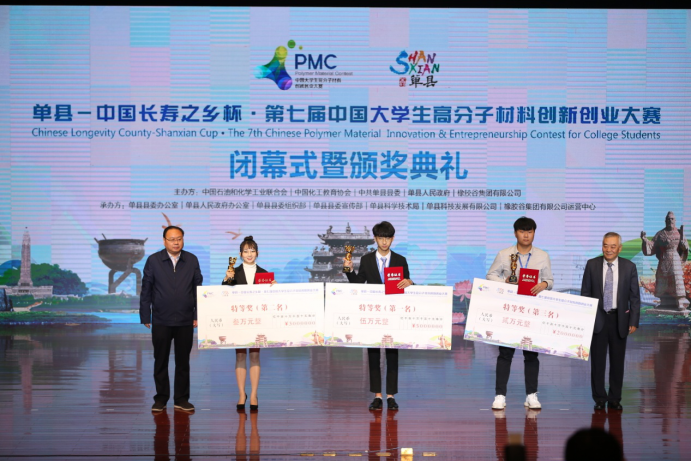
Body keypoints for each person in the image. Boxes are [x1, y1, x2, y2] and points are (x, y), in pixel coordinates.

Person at [343, 221, 414, 411]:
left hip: (393, 313)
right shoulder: (366, 259)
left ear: (393, 239)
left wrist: (410, 282)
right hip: (373, 313)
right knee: (373, 354)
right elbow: (358, 283)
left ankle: (391, 396)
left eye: (387, 238)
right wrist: (348, 269)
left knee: (392, 354)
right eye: (381, 238)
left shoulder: (400, 260)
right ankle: (377, 396)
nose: (384, 242)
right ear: (375, 239)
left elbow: (407, 283)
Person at [486, 216, 553, 410]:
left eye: (530, 231)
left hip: (532, 311)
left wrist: (543, 284)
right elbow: (490, 275)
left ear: (534, 233)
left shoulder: (542, 256)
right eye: (522, 231)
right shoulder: (504, 254)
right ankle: (500, 396)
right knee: (505, 354)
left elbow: (550, 280)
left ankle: (531, 395)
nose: (526, 235)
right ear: (515, 233)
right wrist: (504, 282)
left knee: (531, 354)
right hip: (510, 309)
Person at [140, 226, 203, 413]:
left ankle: (181, 399)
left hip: (185, 319)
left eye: (179, 238)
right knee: (160, 361)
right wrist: (145, 315)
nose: (176, 242)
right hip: (161, 319)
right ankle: (160, 399)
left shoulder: (191, 260)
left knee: (183, 362)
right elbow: (146, 289)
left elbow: (198, 289)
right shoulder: (154, 260)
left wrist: (197, 314)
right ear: (164, 241)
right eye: (172, 239)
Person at [581, 232, 640, 410]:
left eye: (613, 246)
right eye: (606, 245)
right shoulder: (592, 264)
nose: (609, 249)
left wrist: (634, 320)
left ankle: (615, 398)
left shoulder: (629, 267)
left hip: (619, 319)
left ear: (619, 248)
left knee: (617, 362)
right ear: (602, 246)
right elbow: (585, 293)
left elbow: (634, 297)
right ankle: (599, 398)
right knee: (597, 362)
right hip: (597, 319)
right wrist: (585, 319)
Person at [222, 236, 275, 411]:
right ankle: (241, 394)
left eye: (252, 251)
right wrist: (226, 279)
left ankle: (253, 394)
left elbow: (271, 299)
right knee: (239, 356)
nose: (249, 254)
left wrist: (275, 288)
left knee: (254, 356)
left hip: (257, 320)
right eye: (246, 251)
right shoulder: (233, 272)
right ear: (240, 254)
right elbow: (223, 295)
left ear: (257, 253)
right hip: (238, 321)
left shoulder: (265, 274)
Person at [641, 211, 689, 311]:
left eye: (672, 219)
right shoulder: (660, 234)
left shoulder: (679, 232)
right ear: (665, 221)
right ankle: (664, 302)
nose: (670, 221)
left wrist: (683, 245)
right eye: (668, 219)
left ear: (675, 220)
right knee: (662, 279)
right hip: (663, 260)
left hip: (675, 259)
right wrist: (645, 240)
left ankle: (680, 302)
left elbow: (684, 247)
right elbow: (652, 246)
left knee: (676, 279)